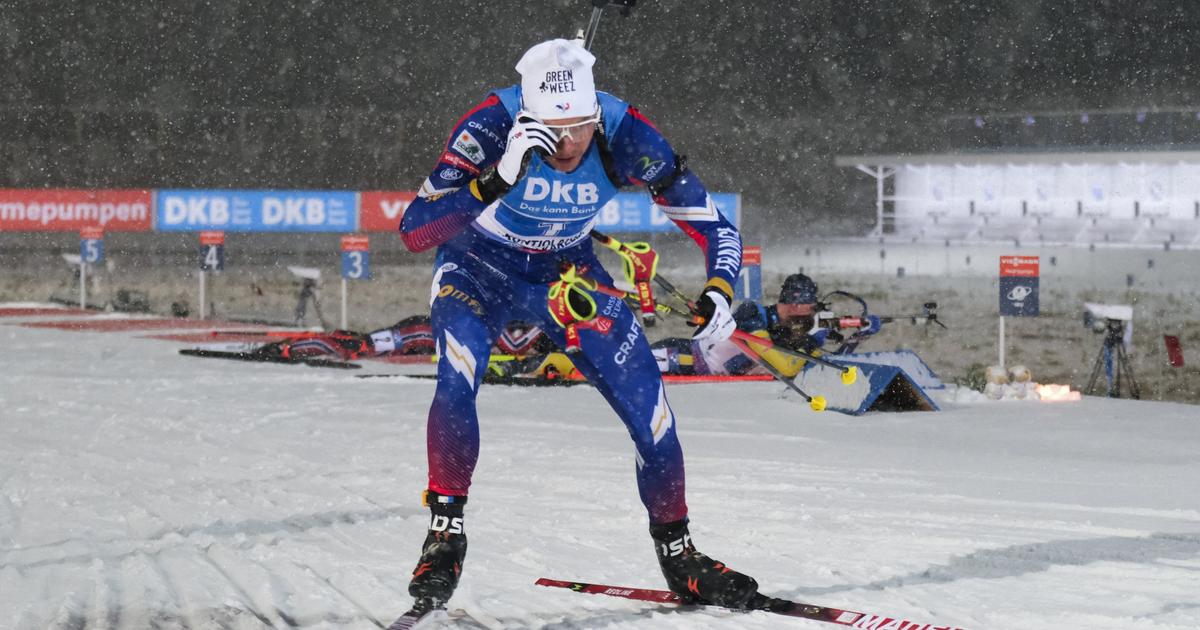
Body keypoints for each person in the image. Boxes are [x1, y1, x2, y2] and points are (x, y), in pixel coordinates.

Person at [397, 39, 759, 614]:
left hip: (568, 275)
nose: (566, 146)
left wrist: (720, 289)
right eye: (551, 132)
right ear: (528, 116)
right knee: (457, 376)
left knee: (652, 410)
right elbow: (415, 231)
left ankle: (680, 553)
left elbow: (715, 225)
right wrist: (496, 178)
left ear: (596, 116)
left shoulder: (627, 132)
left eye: (579, 130)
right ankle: (445, 534)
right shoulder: (491, 125)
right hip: (477, 267)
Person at [651, 273, 882, 377]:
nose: (813, 313)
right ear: (795, 305)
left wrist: (857, 338)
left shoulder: (794, 330)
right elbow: (786, 368)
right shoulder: (752, 315)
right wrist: (813, 339)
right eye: (812, 307)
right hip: (679, 359)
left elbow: (826, 368)